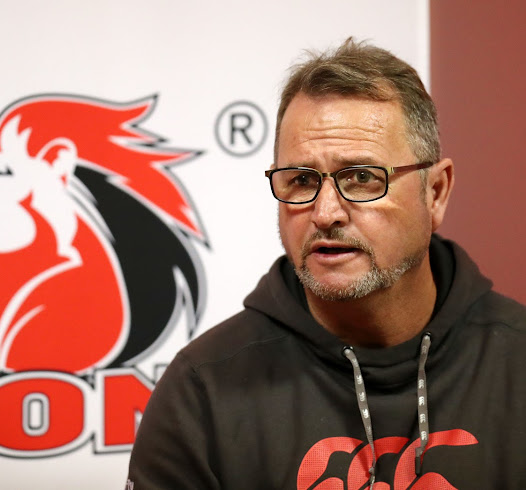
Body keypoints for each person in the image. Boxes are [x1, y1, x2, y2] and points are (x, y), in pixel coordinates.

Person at [126, 38, 526, 489]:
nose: (326, 213)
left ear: (435, 193)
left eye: (361, 177)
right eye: (301, 180)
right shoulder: (203, 389)